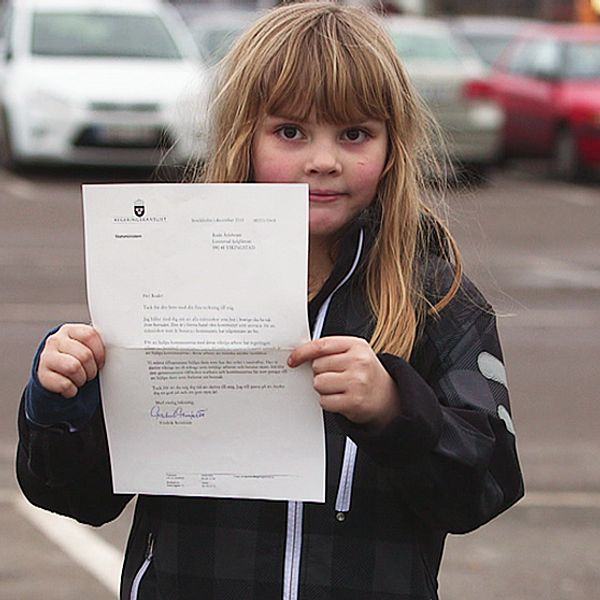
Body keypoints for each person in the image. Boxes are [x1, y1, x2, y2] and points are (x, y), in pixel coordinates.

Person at [16, 2, 524, 599]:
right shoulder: (169, 278)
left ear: (392, 147)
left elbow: (484, 489)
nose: (324, 160)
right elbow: (80, 497)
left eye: (355, 133)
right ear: (245, 137)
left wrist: (396, 411)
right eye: (290, 132)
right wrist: (62, 401)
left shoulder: (436, 299)